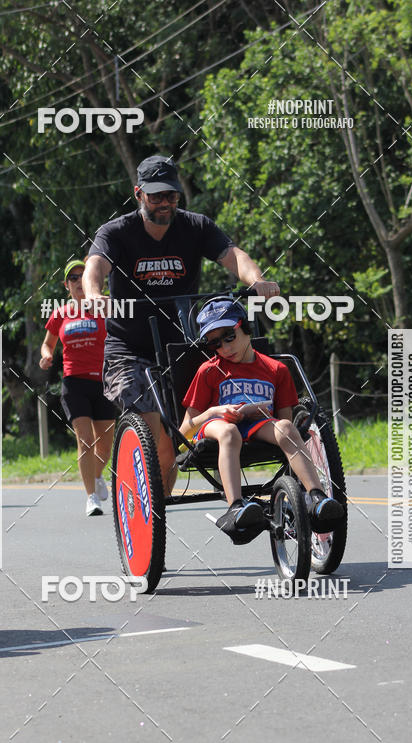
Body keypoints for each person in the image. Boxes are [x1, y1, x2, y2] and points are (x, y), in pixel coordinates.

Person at [83, 154, 281, 497]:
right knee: (149, 422)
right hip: (129, 349)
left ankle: (155, 506)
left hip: (182, 346)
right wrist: (93, 293)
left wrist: (257, 280)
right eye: (156, 196)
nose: (165, 203)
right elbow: (94, 267)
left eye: (171, 196)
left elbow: (233, 255)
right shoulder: (116, 232)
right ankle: (143, 503)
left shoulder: (195, 227)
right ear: (139, 194)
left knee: (174, 440)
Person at [179, 298, 344, 539]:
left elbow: (284, 420)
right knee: (229, 432)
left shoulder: (276, 370)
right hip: (216, 427)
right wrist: (215, 412)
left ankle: (316, 498)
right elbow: (184, 429)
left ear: (245, 327)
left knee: (287, 427)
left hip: (259, 425)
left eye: (229, 336)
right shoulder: (209, 370)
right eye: (214, 343)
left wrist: (279, 422)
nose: (224, 347)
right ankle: (236, 506)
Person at [40, 259, 117, 516]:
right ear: (66, 285)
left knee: (105, 445)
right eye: (72, 278)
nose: (77, 281)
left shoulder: (105, 306)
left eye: (81, 276)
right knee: (84, 441)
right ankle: (91, 497)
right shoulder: (61, 313)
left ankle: (96, 476)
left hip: (105, 381)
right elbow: (47, 344)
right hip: (74, 383)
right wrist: (46, 356)